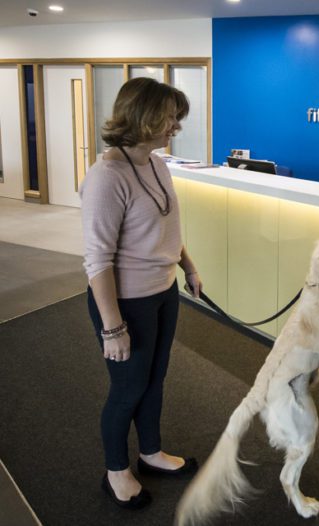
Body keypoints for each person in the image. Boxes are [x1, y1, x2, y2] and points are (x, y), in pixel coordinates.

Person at [80, 77, 203, 510]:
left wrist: (186, 265)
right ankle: (116, 470)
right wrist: (113, 328)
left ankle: (150, 452)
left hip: (163, 291)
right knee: (128, 388)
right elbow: (97, 260)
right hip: (125, 302)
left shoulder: (156, 163)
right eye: (169, 117)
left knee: (155, 379)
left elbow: (166, 224)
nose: (175, 126)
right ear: (143, 116)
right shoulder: (106, 175)